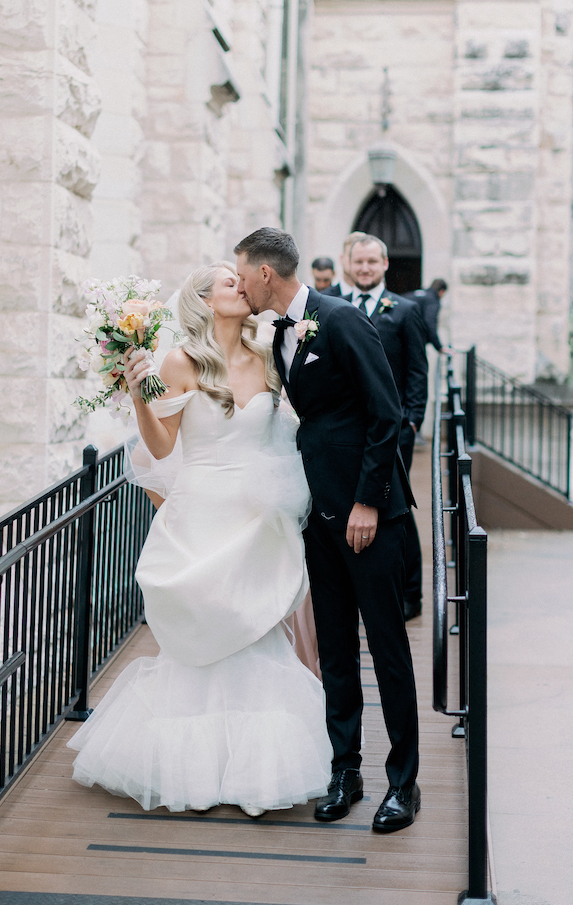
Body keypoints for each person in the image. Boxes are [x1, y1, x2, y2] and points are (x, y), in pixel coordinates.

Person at [67, 262, 332, 817]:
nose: (241, 283)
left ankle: (255, 766)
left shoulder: (269, 357)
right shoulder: (180, 361)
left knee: (256, 629)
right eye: (229, 281)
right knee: (203, 635)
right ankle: (191, 765)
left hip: (257, 517)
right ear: (206, 300)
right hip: (201, 515)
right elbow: (162, 449)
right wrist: (141, 395)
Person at [235, 227, 421, 833]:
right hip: (319, 513)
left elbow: (386, 413)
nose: (238, 284)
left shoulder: (337, 319)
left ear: (267, 274)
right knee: (336, 649)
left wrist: (369, 501)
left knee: (388, 651)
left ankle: (404, 783)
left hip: (370, 517)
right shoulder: (278, 333)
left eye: (242, 273)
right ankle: (346, 771)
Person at [324, 232, 428, 622]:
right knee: (348, 507)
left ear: (385, 264)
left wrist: (412, 422)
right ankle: (353, 593)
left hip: (391, 432)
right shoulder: (329, 304)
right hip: (342, 435)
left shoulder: (403, 310)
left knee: (395, 511)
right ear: (346, 262)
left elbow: (417, 371)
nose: (365, 268)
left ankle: (409, 593)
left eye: (372, 261)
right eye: (358, 261)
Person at [404, 278, 448, 353]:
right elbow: (430, 323)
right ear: (441, 291)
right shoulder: (433, 300)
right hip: (412, 338)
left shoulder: (416, 294)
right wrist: (439, 347)